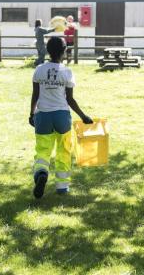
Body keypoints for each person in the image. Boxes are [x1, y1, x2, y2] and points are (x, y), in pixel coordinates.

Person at [29, 36, 93, 199]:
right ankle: (62, 187)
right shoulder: (67, 72)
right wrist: (83, 116)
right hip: (61, 117)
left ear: (48, 51)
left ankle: (41, 174)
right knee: (63, 151)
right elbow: (70, 99)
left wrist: (31, 114)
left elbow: (35, 94)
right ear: (64, 51)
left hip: (42, 116)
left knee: (43, 151)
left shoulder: (39, 70)